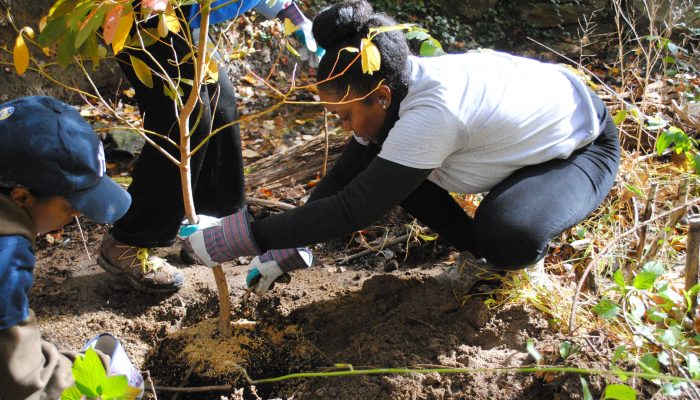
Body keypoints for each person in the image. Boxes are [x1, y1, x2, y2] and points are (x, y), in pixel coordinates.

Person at [182, 0, 621, 295]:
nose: (347, 126)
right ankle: (482, 258)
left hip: (582, 145)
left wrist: (239, 239)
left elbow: (356, 207)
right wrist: (291, 248)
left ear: (382, 98)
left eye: (346, 116)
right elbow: (343, 178)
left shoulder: (434, 111)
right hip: (522, 141)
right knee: (386, 172)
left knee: (509, 232)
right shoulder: (393, 86)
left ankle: (513, 263)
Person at [97, 0, 320, 294]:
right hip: (141, 9)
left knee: (219, 101)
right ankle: (130, 240)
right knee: (185, 114)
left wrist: (291, 15)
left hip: (182, 13)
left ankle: (211, 226)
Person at [0, 96, 141, 399]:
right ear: (22, 197)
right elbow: (19, 382)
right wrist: (93, 375)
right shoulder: (7, 256)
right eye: (73, 207)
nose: (79, 215)